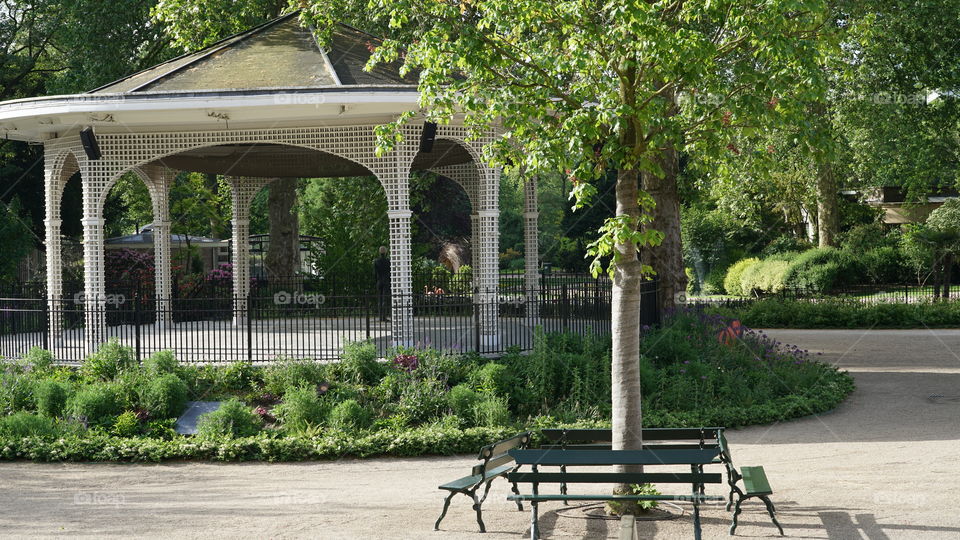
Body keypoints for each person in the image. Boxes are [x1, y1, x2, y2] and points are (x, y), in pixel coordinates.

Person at [373, 246, 391, 322]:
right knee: (385, 299)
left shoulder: (376, 261)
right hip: (386, 281)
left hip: (379, 281)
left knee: (379, 299)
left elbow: (374, 273)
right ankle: (384, 316)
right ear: (386, 252)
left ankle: (380, 316)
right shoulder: (388, 261)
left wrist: (375, 281)